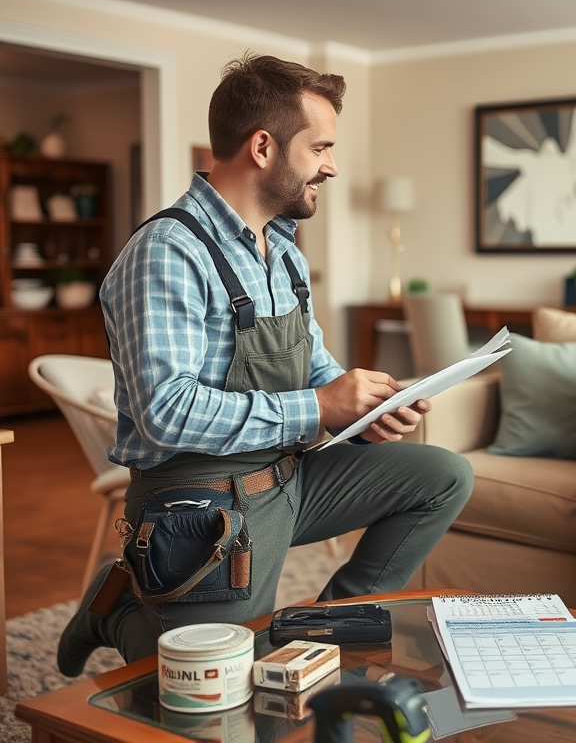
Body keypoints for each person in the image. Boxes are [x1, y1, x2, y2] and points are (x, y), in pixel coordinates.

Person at [57, 53, 473, 677]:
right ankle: (113, 610)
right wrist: (318, 408)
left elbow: (315, 368)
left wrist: (366, 401)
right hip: (196, 500)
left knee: (443, 476)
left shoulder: (282, 251)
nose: (331, 166)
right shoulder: (166, 252)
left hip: (285, 479)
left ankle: (316, 634)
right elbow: (164, 412)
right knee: (227, 680)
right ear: (262, 147)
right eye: (322, 147)